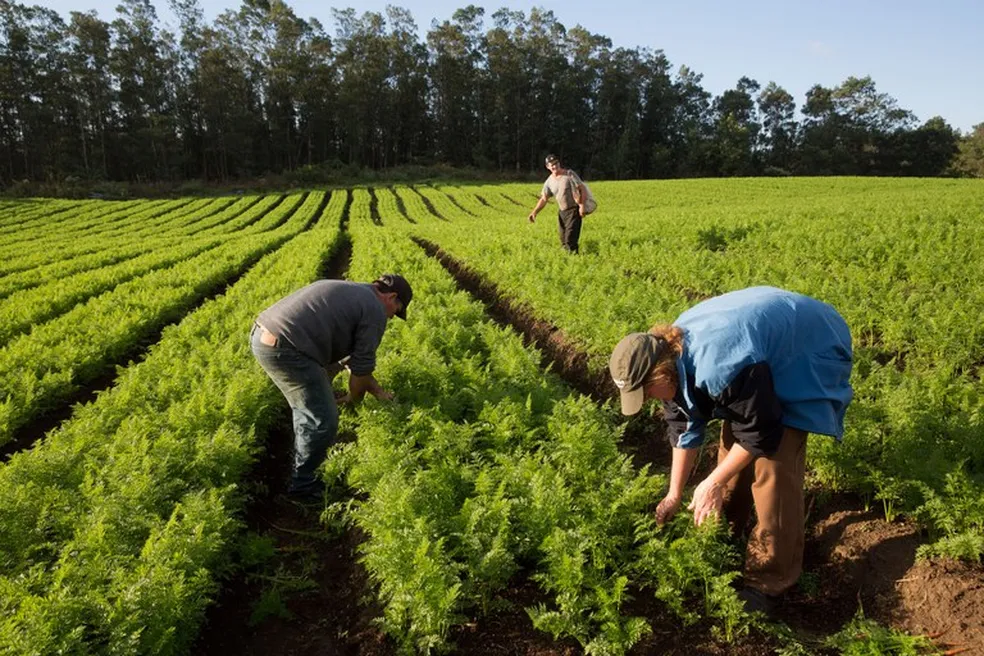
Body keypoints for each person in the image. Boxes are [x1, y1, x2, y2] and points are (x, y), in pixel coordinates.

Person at [609, 286, 853, 615]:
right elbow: (683, 427)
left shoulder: (720, 365)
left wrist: (713, 481)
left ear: (660, 372)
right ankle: (728, 536)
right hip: (757, 352)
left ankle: (769, 581)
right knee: (731, 452)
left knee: (773, 464)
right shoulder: (671, 362)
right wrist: (674, 494)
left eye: (648, 392)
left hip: (807, 345)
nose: (650, 400)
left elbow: (760, 429)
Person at [251, 274, 413, 500]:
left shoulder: (355, 292)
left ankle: (304, 435)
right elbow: (361, 370)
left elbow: (353, 360)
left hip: (263, 334)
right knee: (322, 419)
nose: (393, 316)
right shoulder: (375, 310)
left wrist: (376, 391)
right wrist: (355, 401)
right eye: (397, 309)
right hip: (287, 348)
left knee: (317, 391)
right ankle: (303, 486)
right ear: (391, 297)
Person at [527, 154, 589, 253]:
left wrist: (582, 206)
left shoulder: (569, 174)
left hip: (574, 211)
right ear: (547, 167)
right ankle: (567, 259)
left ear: (559, 163)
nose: (554, 166)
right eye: (552, 164)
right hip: (562, 213)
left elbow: (582, 188)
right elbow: (544, 199)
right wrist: (534, 212)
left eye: (556, 163)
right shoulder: (549, 182)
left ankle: (574, 258)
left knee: (570, 241)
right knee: (563, 241)